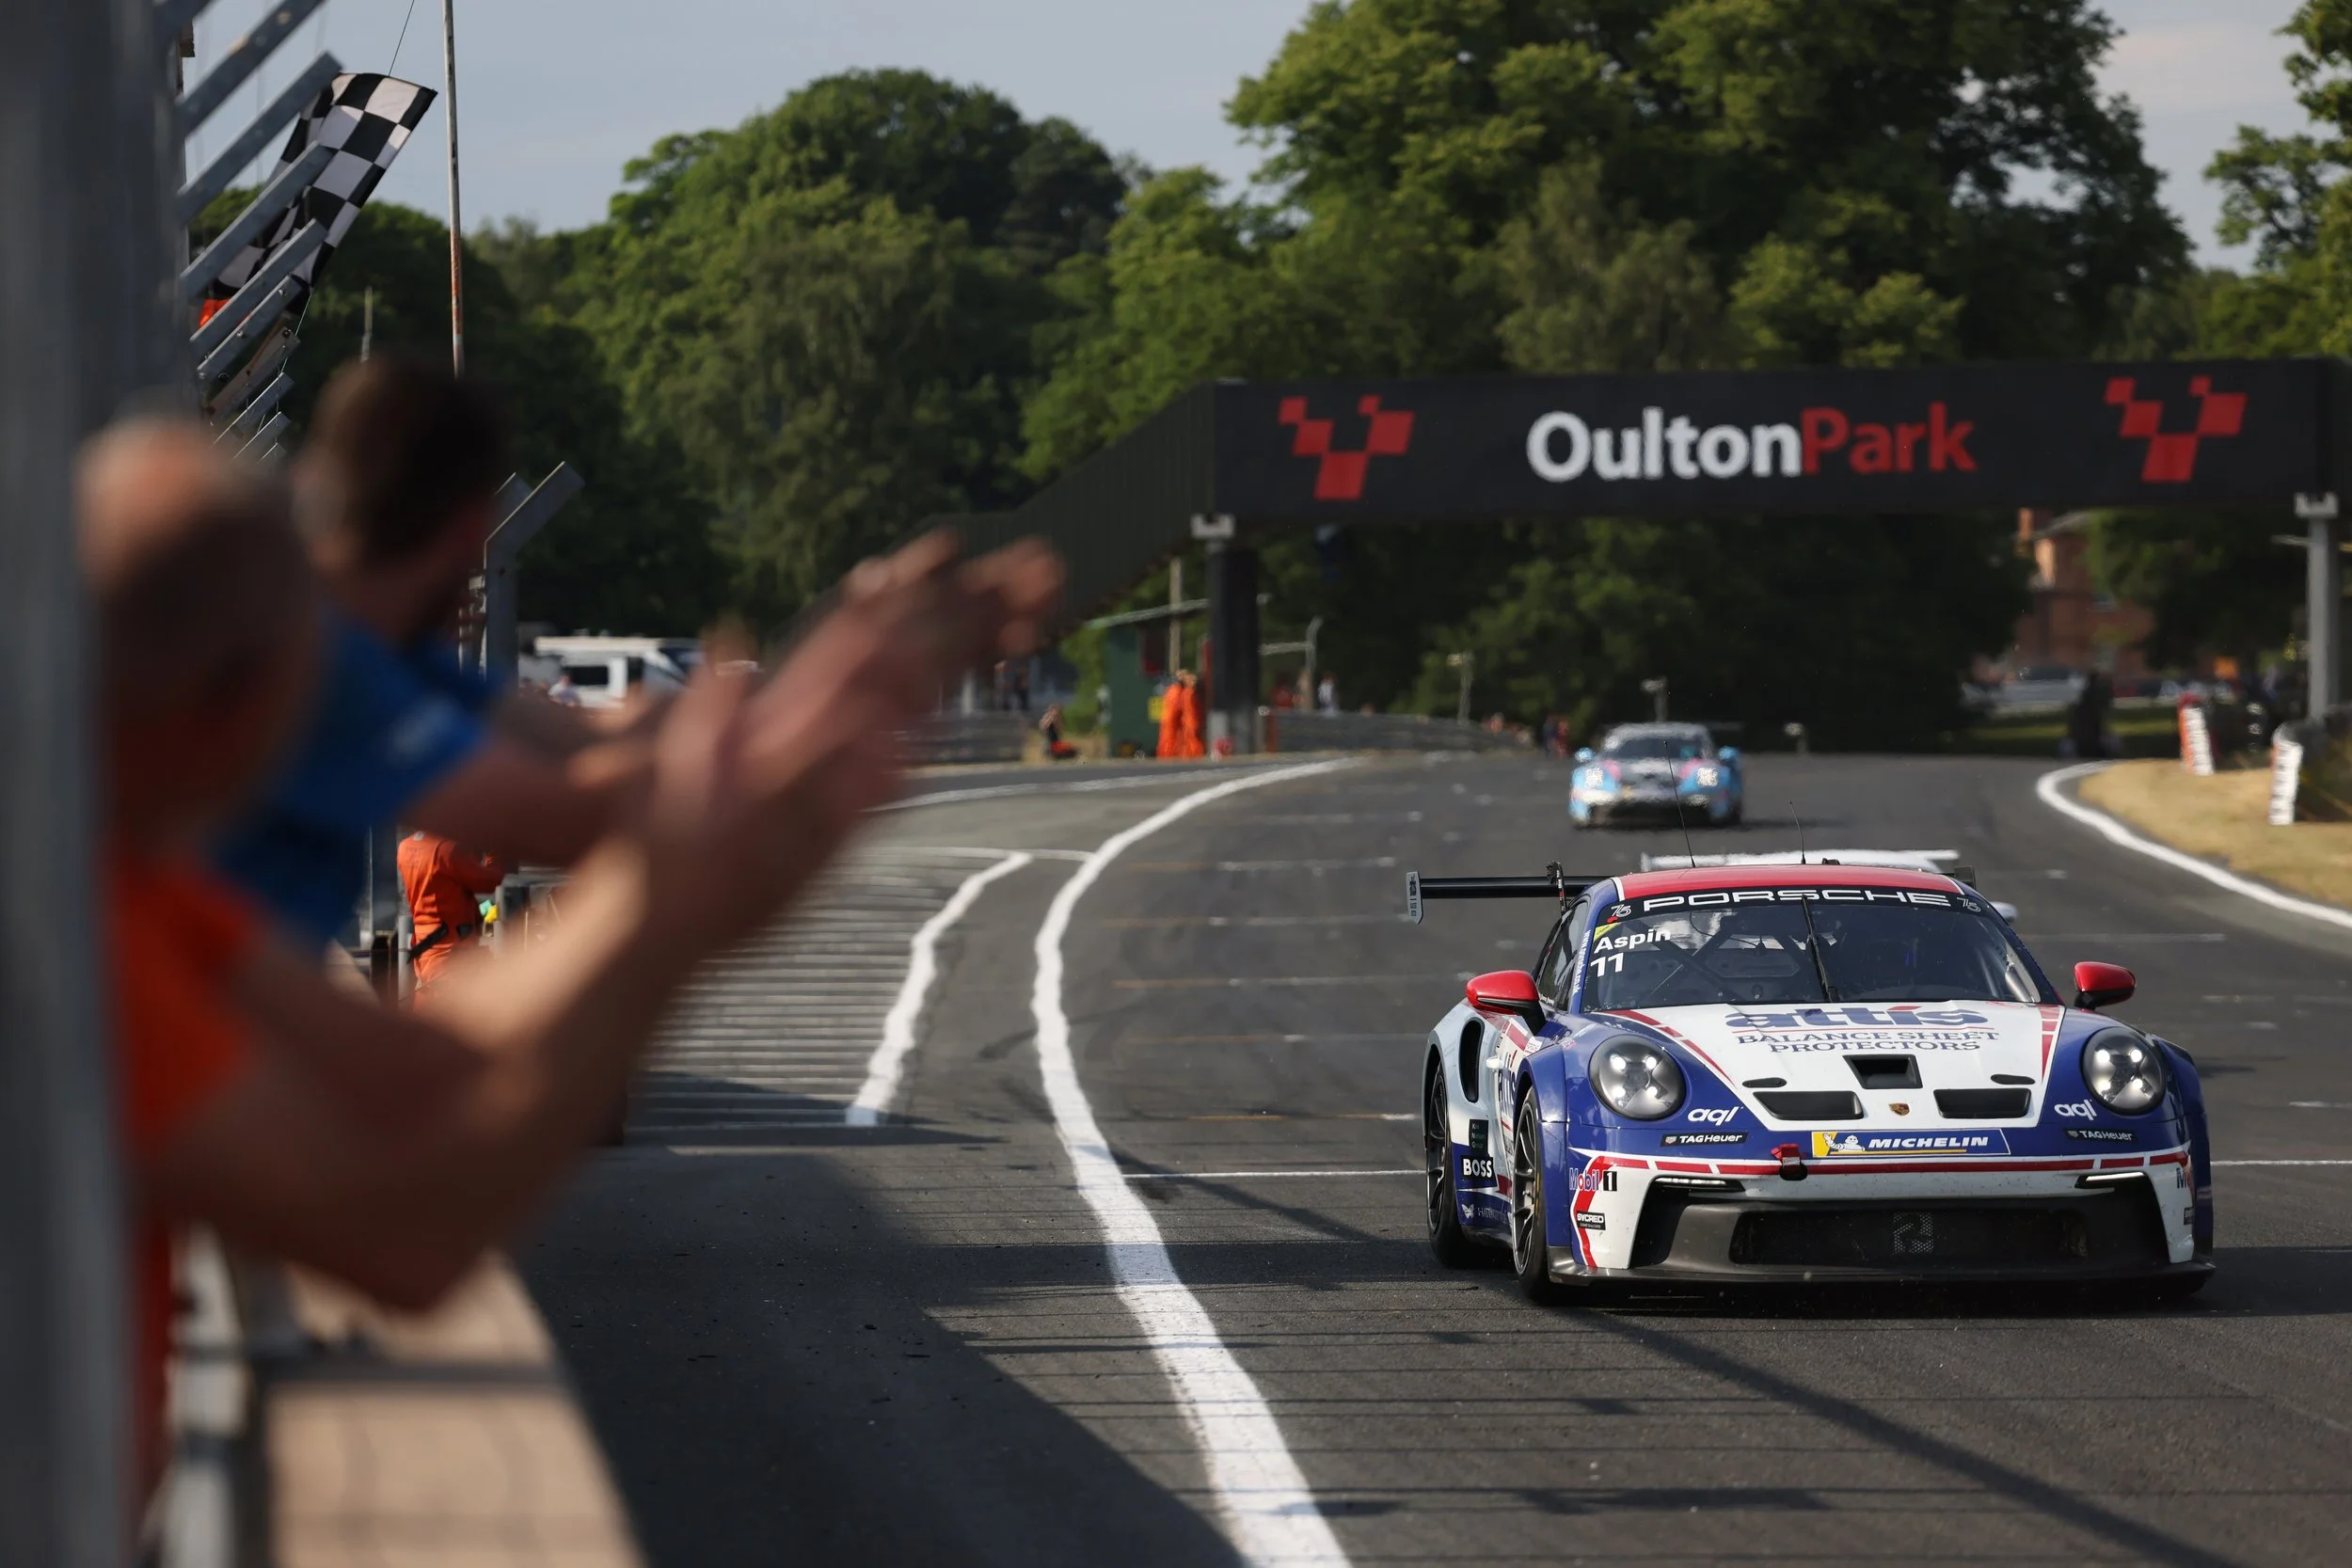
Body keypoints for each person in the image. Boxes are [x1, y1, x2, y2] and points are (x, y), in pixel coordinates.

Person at [87, 420, 1060, 1496]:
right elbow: (399, 1224)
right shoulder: (75, 942)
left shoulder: (136, 876)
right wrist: (677, 903)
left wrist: (720, 815)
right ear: (221, 706)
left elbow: (411, 1076)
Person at [213, 356, 653, 947]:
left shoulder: (372, 642)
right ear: (473, 532)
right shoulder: (325, 661)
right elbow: (566, 817)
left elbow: (584, 738)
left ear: (312, 476)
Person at [397, 832, 509, 991]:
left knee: (426, 1003)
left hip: (425, 944)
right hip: (450, 952)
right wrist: (495, 856)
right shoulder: (447, 850)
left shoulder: (405, 847)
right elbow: (488, 880)